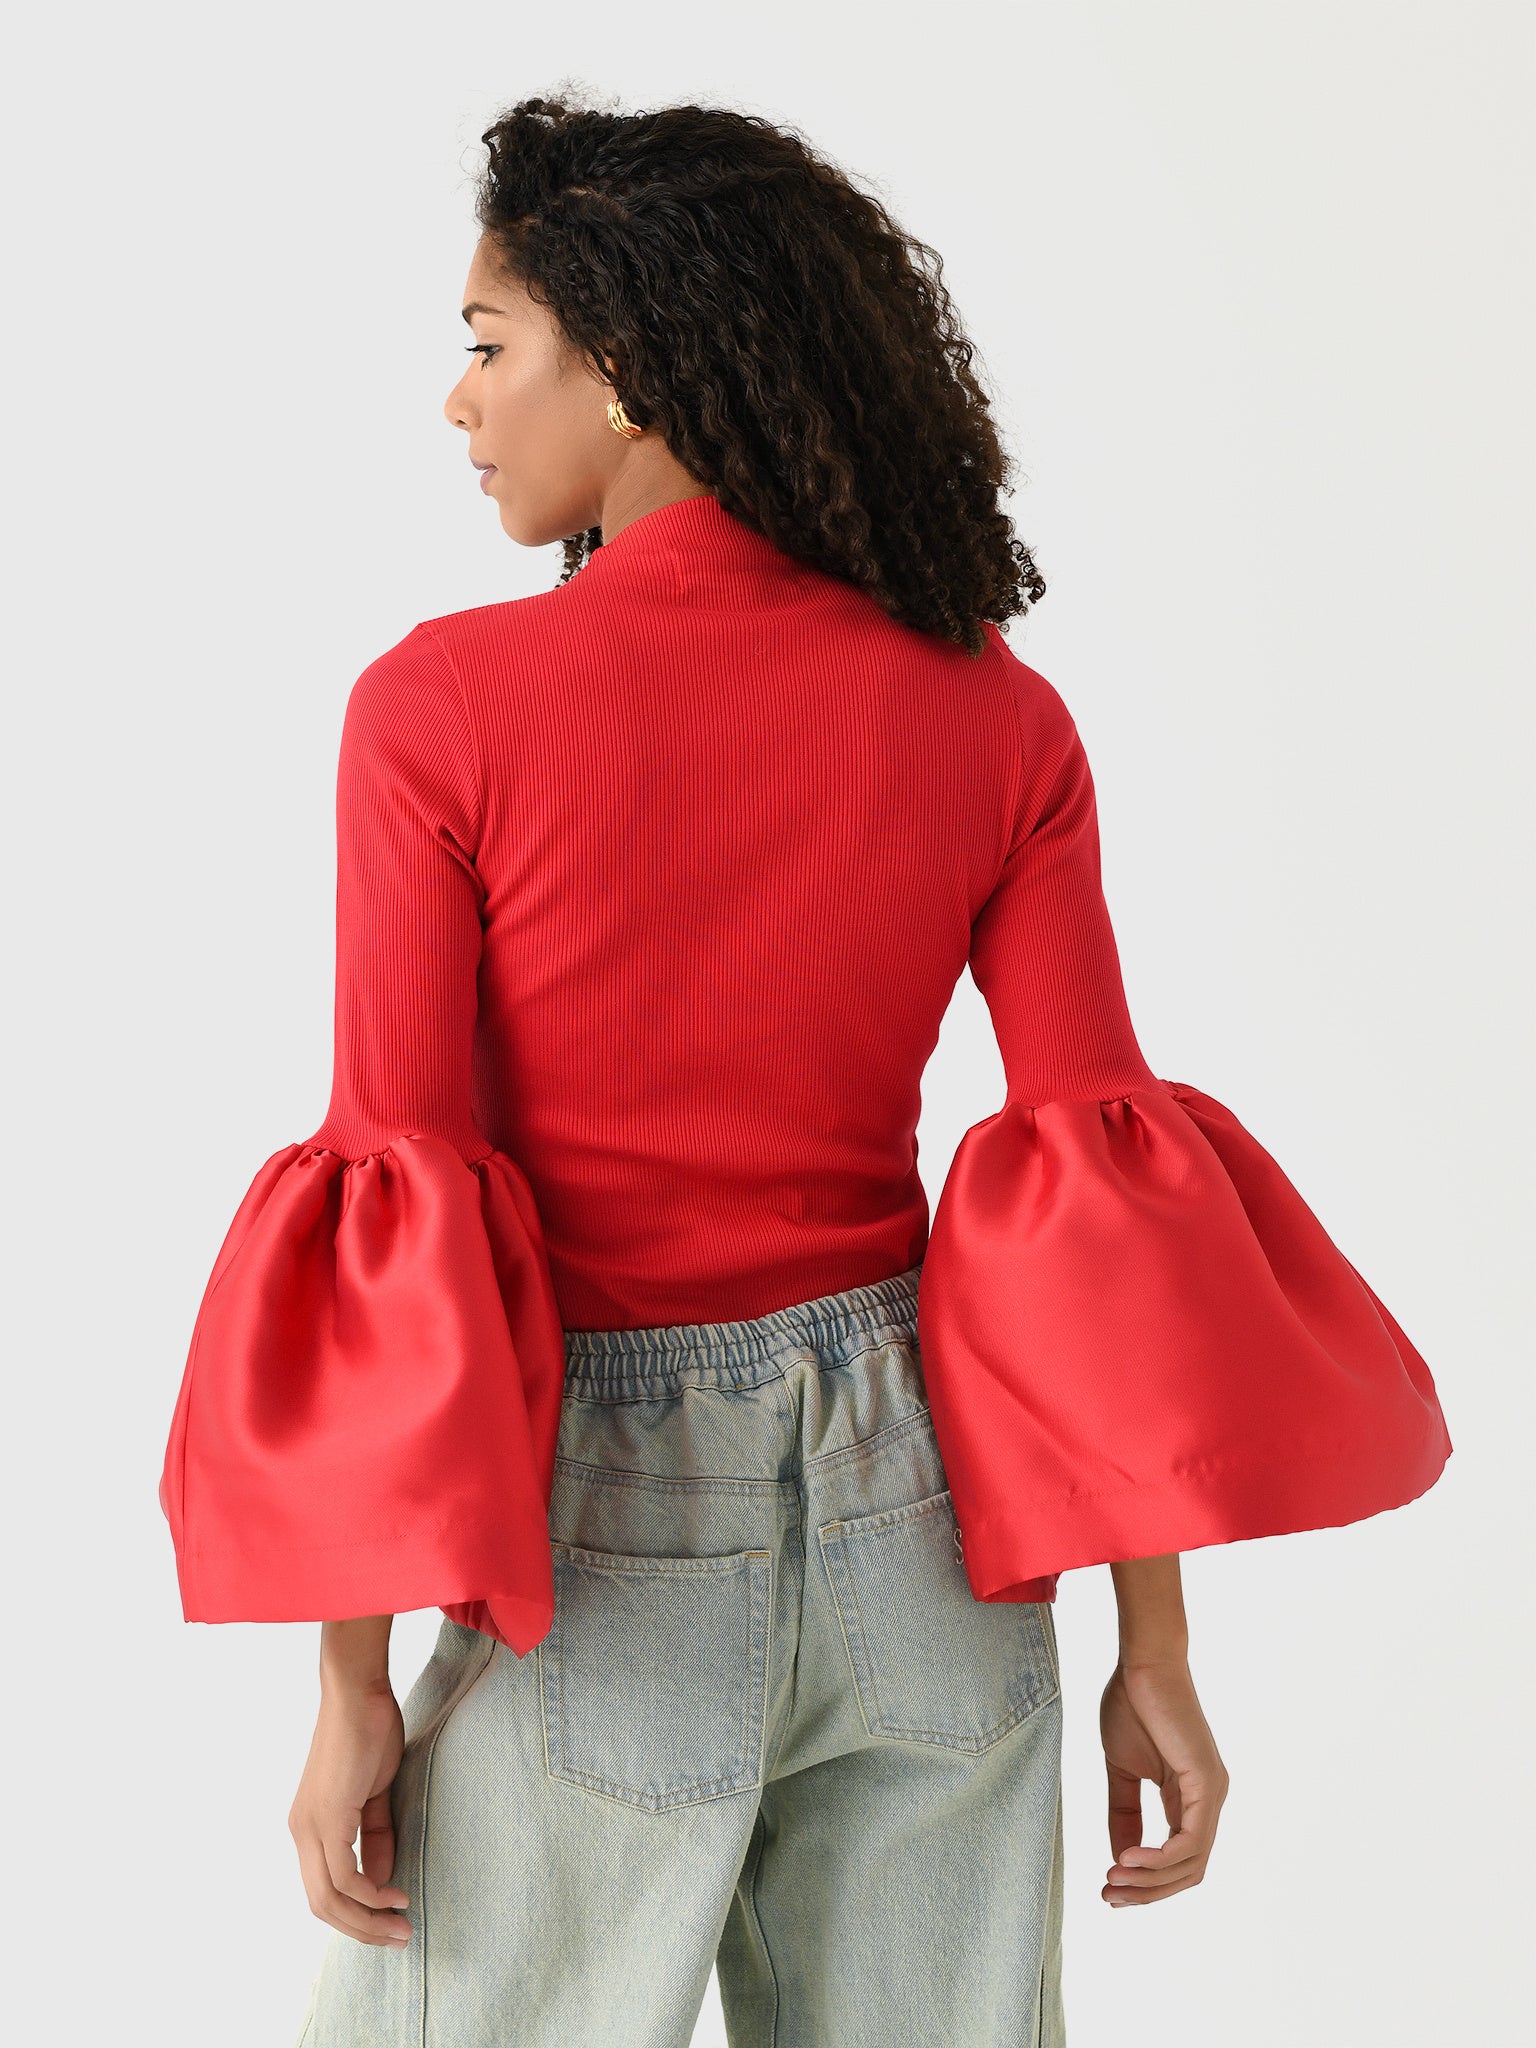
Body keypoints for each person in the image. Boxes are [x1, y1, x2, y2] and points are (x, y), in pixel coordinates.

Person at [157, 91, 1452, 2048]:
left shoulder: (441, 713)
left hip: (600, 1547)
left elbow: (395, 1213)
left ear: (630, 368)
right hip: (930, 1538)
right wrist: (1152, 1638)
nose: (460, 401)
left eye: (490, 345)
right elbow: (1093, 1190)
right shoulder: (993, 713)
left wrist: (348, 1683)